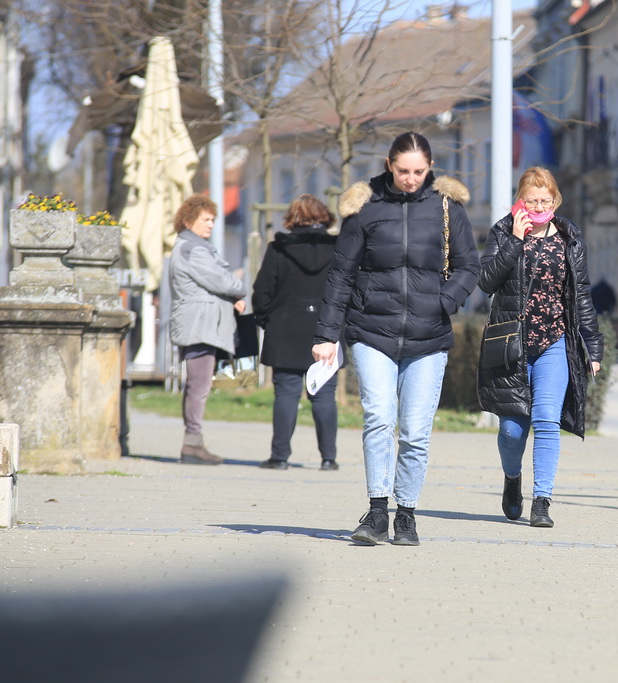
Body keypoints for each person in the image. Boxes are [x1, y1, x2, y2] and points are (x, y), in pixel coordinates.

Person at [311, 132, 480, 546]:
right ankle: (377, 511)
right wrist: (326, 334)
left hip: (428, 335)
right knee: (379, 417)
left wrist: (444, 301)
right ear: (389, 165)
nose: (411, 179)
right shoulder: (365, 208)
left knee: (416, 430)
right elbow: (341, 274)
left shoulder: (447, 207)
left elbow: (469, 266)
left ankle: (407, 514)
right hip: (372, 331)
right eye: (403, 171)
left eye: (419, 171)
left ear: (430, 167)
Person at [477, 167, 604, 528]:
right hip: (512, 344)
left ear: (555, 200)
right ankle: (512, 477)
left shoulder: (568, 236)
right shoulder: (503, 231)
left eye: (545, 200)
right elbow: (486, 282)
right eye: (531, 200)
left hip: (555, 341)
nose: (538, 206)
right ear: (520, 199)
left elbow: (582, 295)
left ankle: (542, 501)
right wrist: (516, 241)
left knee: (546, 420)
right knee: (512, 429)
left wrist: (593, 348)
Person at [252, 194, 339, 471]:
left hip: (284, 327)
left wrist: (267, 319)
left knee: (286, 394)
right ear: (324, 215)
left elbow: (263, 291)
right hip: (325, 329)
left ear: (293, 218)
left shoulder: (279, 248)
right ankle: (328, 458)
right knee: (324, 396)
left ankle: (279, 457)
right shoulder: (338, 248)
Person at [168, 194, 247, 465]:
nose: (211, 224)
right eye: (206, 219)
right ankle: (192, 443)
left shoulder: (189, 247)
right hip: (198, 325)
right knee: (199, 386)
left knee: (198, 385)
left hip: (198, 322)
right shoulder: (195, 250)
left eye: (213, 219)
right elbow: (222, 281)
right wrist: (238, 288)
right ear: (189, 220)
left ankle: (193, 443)